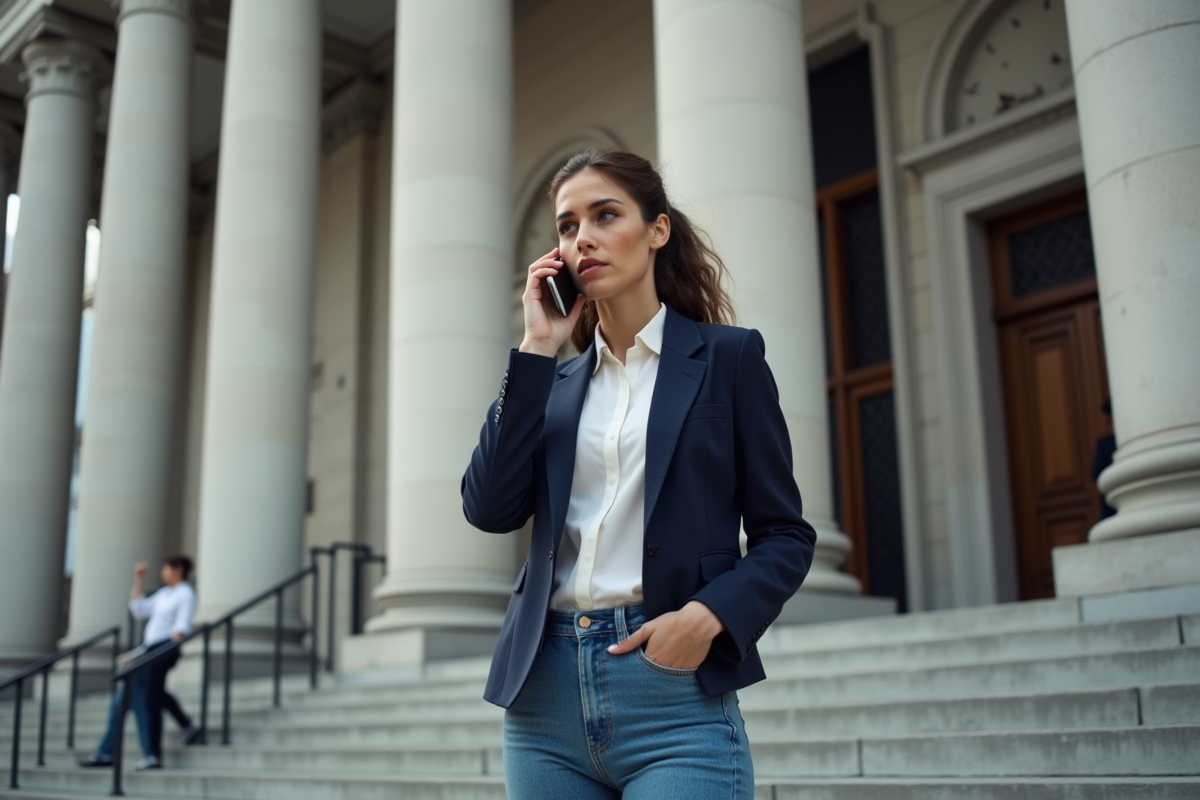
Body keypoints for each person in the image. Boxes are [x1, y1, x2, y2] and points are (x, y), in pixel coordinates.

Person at [462, 149, 816, 799]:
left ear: (657, 230)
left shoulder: (729, 360)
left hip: (672, 696)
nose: (582, 238)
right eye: (567, 226)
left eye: (604, 215)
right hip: (543, 702)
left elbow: (785, 535)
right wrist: (537, 347)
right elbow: (488, 508)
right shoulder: (554, 383)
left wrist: (709, 616)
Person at [80, 555, 197, 771]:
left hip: (163, 649)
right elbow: (138, 610)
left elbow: (181, 629)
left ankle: (151, 754)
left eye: (166, 569)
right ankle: (108, 752)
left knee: (146, 698)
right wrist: (139, 579)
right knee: (127, 698)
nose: (163, 573)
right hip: (148, 649)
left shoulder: (185, 594)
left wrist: (160, 651)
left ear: (178, 569)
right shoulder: (164, 593)